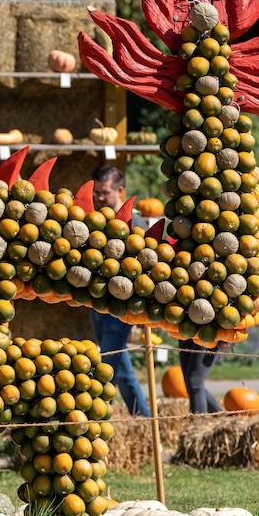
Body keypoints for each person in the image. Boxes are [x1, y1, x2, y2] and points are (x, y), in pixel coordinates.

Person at [88, 165, 150, 417]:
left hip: (121, 307)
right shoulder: (95, 219)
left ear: (120, 190)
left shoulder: (134, 222)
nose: (99, 198)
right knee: (120, 368)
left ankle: (95, 419)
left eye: (104, 193)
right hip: (98, 304)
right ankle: (143, 418)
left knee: (106, 367)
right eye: (96, 193)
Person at [180, 338, 225, 413]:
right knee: (191, 383)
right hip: (183, 333)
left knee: (195, 381)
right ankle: (218, 413)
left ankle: (198, 421)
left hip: (205, 333)